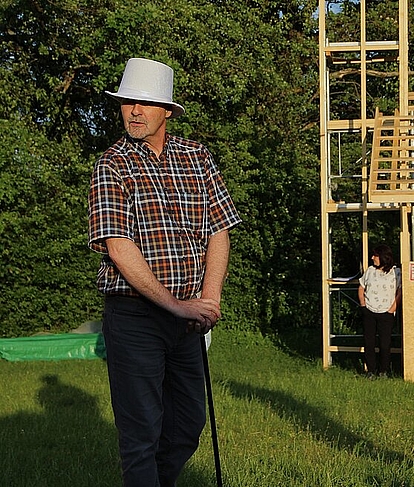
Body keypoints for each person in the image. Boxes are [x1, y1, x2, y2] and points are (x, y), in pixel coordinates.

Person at [88, 58, 241, 487]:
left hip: (188, 322)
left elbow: (220, 229)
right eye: (128, 102)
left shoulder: (198, 157)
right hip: (135, 316)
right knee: (141, 433)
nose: (135, 110)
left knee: (188, 424)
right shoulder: (111, 166)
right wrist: (177, 306)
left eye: (146, 103)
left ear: (167, 111)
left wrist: (208, 301)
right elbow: (118, 246)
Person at [358, 244, 402, 378]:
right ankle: (371, 370)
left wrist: (392, 309)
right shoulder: (370, 271)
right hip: (369, 310)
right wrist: (363, 305)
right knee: (369, 342)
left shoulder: (396, 272)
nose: (372, 258)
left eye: (375, 256)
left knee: (385, 343)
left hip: (386, 312)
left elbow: (400, 291)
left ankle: (384, 370)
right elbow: (361, 287)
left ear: (383, 257)